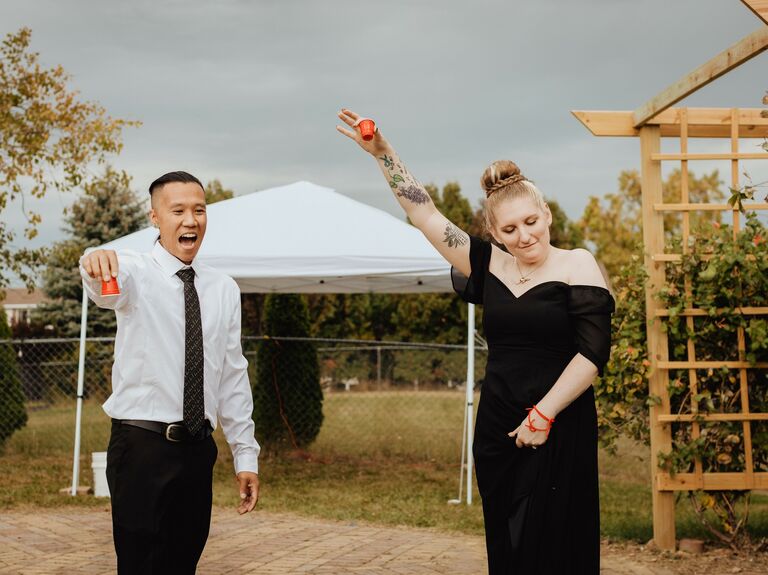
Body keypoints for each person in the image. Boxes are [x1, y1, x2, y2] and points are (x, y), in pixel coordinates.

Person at [337, 110, 614, 574]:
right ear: (492, 233)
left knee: (553, 543)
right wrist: (384, 154)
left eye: (531, 222)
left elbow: (591, 354)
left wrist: (543, 415)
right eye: (509, 230)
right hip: (498, 428)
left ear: (546, 214)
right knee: (506, 543)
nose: (524, 236)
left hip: (558, 424)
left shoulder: (577, 264)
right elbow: (422, 211)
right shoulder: (486, 265)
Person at [79, 171, 260, 574]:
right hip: (142, 448)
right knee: (141, 566)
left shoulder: (223, 288)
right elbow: (104, 281)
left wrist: (245, 454)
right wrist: (94, 261)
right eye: (177, 211)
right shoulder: (134, 272)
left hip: (198, 450)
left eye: (199, 210)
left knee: (183, 565)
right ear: (155, 218)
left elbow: (232, 375)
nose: (190, 220)